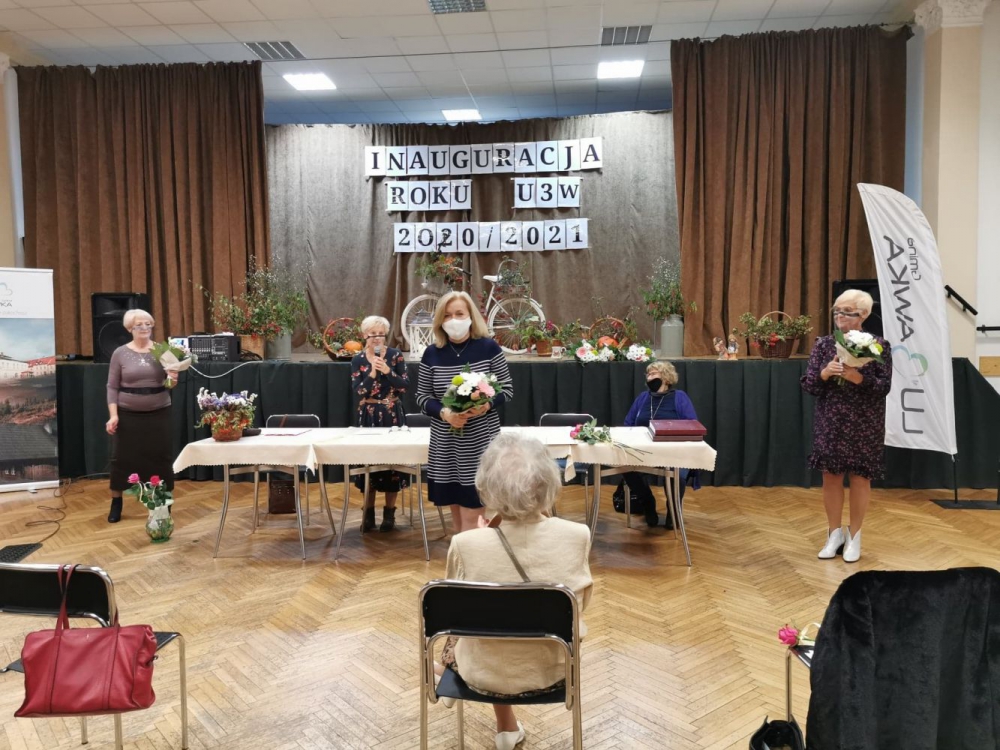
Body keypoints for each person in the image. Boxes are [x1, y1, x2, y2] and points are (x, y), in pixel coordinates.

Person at [437, 432, 593, 750]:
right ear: (549, 483)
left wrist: (483, 540)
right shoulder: (578, 535)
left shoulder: (465, 543)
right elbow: (580, 605)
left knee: (480, 622)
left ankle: (446, 671)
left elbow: (456, 610)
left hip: (480, 672)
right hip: (552, 671)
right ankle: (503, 725)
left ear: (486, 486)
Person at [801, 289, 892, 563]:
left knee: (860, 477)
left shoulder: (878, 345)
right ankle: (834, 534)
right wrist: (824, 373)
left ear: (863, 315)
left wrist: (857, 377)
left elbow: (884, 387)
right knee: (830, 475)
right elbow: (809, 385)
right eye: (837, 311)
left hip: (865, 421)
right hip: (831, 419)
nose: (839, 316)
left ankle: (855, 535)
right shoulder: (824, 344)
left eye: (847, 312)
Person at [415, 291, 513, 534]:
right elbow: (422, 397)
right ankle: (461, 552)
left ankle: (470, 555)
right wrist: (445, 413)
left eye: (459, 314)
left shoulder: (489, 348)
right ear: (440, 320)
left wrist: (486, 404)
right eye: (447, 315)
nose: (453, 320)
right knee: (457, 514)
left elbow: (507, 390)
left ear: (471, 316)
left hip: (480, 441)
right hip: (446, 442)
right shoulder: (432, 353)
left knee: (473, 512)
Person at [106, 309, 178, 523]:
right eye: (139, 324)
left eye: (148, 324)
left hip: (159, 412)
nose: (145, 328)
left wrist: (173, 378)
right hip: (127, 414)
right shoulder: (119, 353)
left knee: (161, 458)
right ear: (130, 328)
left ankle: (163, 504)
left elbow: (170, 385)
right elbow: (112, 386)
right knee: (121, 459)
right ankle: (116, 502)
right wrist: (113, 416)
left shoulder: (163, 351)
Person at [622, 360, 699, 529]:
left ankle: (673, 509)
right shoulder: (643, 398)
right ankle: (648, 503)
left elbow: (692, 424)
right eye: (648, 374)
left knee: (677, 473)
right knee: (626, 467)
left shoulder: (680, 397)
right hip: (644, 449)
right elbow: (628, 423)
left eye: (653, 373)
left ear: (666, 377)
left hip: (674, 450)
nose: (649, 377)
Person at [351, 315, 409, 533]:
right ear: (364, 335)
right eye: (372, 334)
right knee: (369, 463)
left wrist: (387, 371)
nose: (377, 338)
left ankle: (389, 514)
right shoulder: (357, 359)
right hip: (369, 414)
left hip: (391, 414)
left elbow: (404, 386)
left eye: (381, 334)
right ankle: (368, 514)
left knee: (392, 463)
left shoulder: (395, 355)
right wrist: (373, 373)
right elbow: (359, 391)